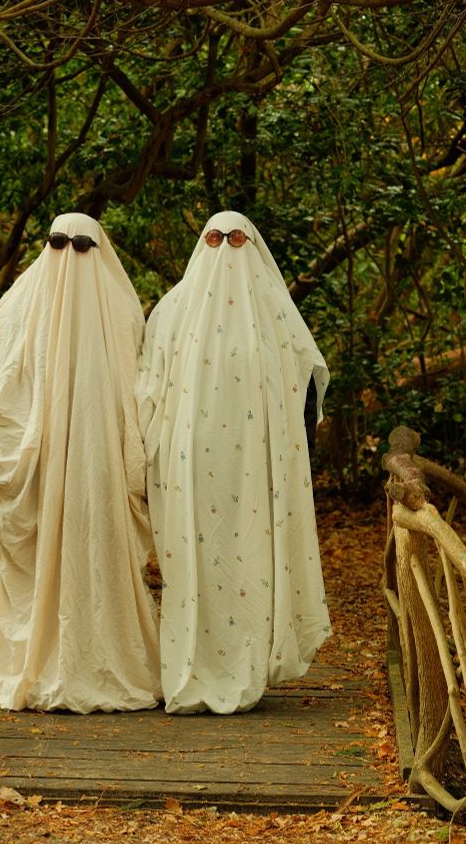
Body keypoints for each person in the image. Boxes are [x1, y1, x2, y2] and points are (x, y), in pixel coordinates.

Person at [0, 213, 161, 713]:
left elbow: (142, 387)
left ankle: (102, 658)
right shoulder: (26, 303)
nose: (70, 254)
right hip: (45, 462)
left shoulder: (120, 308)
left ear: (100, 248)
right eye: (58, 243)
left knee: (101, 551)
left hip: (103, 469)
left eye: (81, 244)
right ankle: (46, 659)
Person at [136, 210, 330, 714]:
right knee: (195, 564)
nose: (226, 247)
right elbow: (150, 387)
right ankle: (190, 668)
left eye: (237, 237)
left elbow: (304, 385)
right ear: (202, 244)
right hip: (188, 470)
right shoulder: (172, 311)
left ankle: (247, 667)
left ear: (254, 243)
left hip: (256, 466)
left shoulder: (277, 314)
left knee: (250, 560)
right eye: (215, 237)